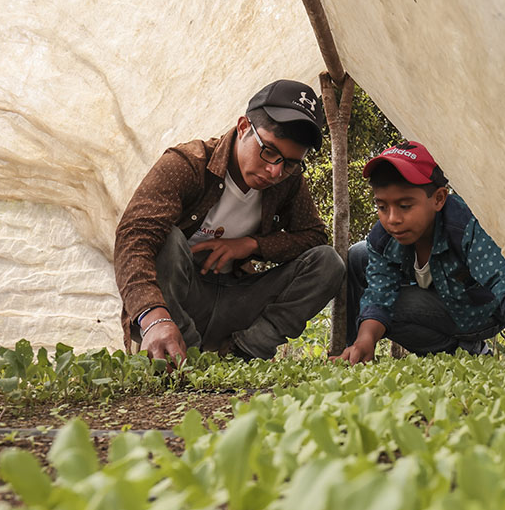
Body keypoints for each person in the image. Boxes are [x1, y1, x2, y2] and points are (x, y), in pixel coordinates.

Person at [114, 79, 345, 363]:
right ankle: (184, 351)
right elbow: (134, 237)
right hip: (180, 303)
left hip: (235, 301)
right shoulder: (187, 164)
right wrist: (154, 317)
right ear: (243, 127)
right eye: (269, 151)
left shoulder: (288, 181)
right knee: (167, 239)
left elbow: (314, 237)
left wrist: (251, 245)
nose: (274, 171)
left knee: (328, 262)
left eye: (289, 162)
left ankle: (243, 352)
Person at [338, 142, 505, 375]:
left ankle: (470, 344)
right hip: (438, 307)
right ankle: (463, 351)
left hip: (481, 313)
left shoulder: (464, 225)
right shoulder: (383, 238)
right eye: (382, 206)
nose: (393, 218)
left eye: (405, 206)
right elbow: (379, 295)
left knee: (398, 303)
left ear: (439, 199)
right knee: (364, 268)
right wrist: (364, 340)